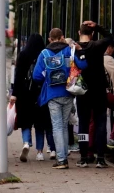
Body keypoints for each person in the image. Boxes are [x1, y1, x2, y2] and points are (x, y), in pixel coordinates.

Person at [33, 28, 87, 168]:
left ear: (50, 39)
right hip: (68, 92)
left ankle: (61, 159)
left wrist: (47, 78)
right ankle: (64, 156)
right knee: (63, 126)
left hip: (52, 94)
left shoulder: (44, 53)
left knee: (56, 126)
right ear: (62, 37)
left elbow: (36, 76)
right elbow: (83, 65)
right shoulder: (69, 51)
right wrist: (80, 51)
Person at [76, 21, 114, 168]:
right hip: (99, 91)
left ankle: (84, 157)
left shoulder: (73, 47)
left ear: (79, 33)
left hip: (82, 91)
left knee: (84, 124)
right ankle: (100, 158)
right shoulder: (98, 46)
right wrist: (98, 26)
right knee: (100, 124)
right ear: (92, 34)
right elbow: (110, 38)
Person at [10, 33, 46, 162]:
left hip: (24, 93)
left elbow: (18, 76)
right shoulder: (44, 54)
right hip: (40, 92)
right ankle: (40, 152)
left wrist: (14, 94)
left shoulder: (23, 55)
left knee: (25, 122)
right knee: (40, 124)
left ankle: (26, 142)